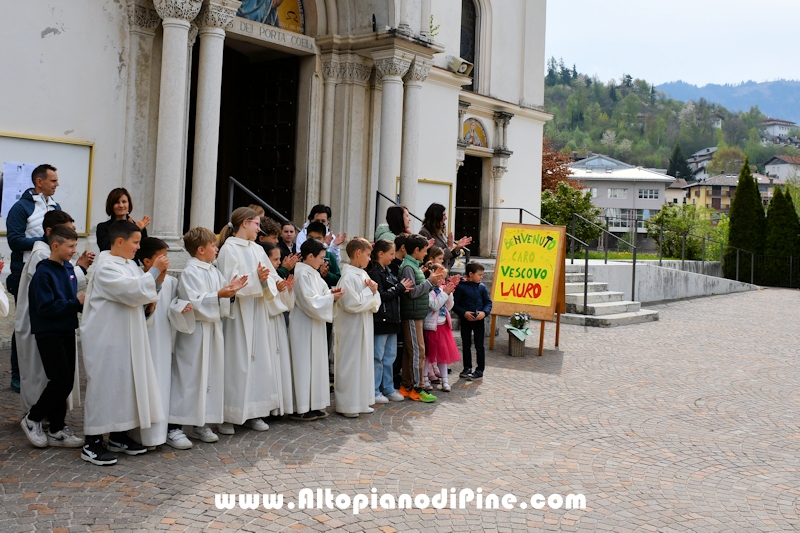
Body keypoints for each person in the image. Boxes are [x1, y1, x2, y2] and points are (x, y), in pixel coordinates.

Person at [81, 220, 165, 466]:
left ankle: (118, 434)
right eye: (136, 242)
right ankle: (92, 442)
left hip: (128, 335)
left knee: (125, 384)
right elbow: (131, 290)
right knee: (105, 386)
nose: (139, 247)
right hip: (106, 337)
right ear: (119, 241)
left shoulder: (128, 264)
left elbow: (140, 293)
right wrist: (154, 272)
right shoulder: (105, 267)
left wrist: (149, 302)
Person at [170, 228, 247, 444]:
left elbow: (222, 296)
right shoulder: (190, 271)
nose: (217, 248)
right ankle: (174, 426)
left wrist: (230, 293)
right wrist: (221, 294)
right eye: (213, 245)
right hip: (194, 333)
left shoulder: (213, 270)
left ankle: (200, 424)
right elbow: (193, 301)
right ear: (201, 249)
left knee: (210, 378)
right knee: (189, 378)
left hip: (213, 330)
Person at [17, 211, 92, 414]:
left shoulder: (66, 268)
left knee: (65, 381)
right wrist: (75, 302)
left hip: (66, 328)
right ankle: (34, 419)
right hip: (49, 330)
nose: (74, 251)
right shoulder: (43, 268)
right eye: (71, 246)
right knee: (59, 380)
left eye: (75, 245)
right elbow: (46, 306)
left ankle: (57, 428)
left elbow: (69, 292)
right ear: (55, 244)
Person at [216, 207, 280, 434]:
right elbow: (230, 282)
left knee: (259, 361)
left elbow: (271, 275)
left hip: (257, 311)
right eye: (256, 224)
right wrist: (257, 279)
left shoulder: (257, 249)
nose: (259, 228)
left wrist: (270, 283)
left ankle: (255, 412)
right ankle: (228, 415)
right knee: (237, 362)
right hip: (239, 314)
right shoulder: (229, 249)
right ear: (244, 223)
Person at [6, 164, 62, 393]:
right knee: (24, 325)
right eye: (53, 181)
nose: (57, 184)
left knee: (44, 323)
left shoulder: (55, 206)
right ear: (39, 182)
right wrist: (44, 241)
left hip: (48, 271)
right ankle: (18, 375)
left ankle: (39, 371)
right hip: (23, 273)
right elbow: (15, 240)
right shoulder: (20, 207)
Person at [135, 238, 195, 450]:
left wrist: (181, 308)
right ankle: (138, 435)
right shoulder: (138, 279)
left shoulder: (170, 282)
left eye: (167, 257)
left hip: (163, 339)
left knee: (163, 384)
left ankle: (164, 432)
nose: (166, 262)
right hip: (144, 340)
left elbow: (172, 307)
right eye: (162, 257)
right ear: (147, 261)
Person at [289, 238, 344, 421]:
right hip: (303, 325)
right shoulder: (301, 273)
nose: (323, 261)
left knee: (316, 364)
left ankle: (313, 403)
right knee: (304, 364)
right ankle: (302, 406)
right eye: (321, 257)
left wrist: (331, 294)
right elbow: (309, 302)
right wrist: (330, 299)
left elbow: (320, 294)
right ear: (310, 256)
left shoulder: (313, 272)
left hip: (316, 325)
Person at [333, 238, 382, 417]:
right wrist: (371, 292)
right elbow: (351, 303)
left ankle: (360, 401)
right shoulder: (347, 276)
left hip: (364, 325)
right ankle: (348, 405)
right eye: (368, 255)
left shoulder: (363, 274)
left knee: (362, 363)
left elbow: (375, 301)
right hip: (350, 328)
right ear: (358, 253)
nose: (370, 259)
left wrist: (374, 292)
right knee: (350, 363)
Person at [398, 234, 445, 403]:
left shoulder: (413, 265)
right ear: (416, 250)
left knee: (411, 352)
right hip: (411, 314)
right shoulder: (408, 267)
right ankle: (418, 387)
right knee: (418, 351)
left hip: (416, 314)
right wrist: (430, 282)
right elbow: (412, 293)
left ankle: (407, 385)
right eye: (424, 251)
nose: (426, 254)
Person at [367, 239, 412, 404]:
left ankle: (388, 387)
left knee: (389, 356)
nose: (393, 257)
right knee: (378, 356)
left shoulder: (387, 270)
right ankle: (375, 389)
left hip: (392, 319)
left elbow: (392, 290)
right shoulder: (374, 272)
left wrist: (400, 288)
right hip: (381, 319)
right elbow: (381, 294)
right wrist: (399, 288)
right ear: (381, 253)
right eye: (391, 254)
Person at [262, 242, 296, 416]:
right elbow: (265, 301)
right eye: (275, 260)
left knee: (279, 364)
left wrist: (285, 291)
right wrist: (276, 290)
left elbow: (287, 305)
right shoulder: (264, 276)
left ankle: (278, 406)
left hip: (278, 323)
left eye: (279, 259)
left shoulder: (274, 275)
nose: (278, 263)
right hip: (267, 323)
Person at [422, 263, 461, 393]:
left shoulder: (442, 289)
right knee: (429, 355)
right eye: (441, 277)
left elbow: (449, 306)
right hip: (431, 327)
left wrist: (449, 293)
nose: (443, 280)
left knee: (442, 356)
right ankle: (425, 378)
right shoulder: (429, 292)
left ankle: (445, 379)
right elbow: (434, 306)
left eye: (444, 278)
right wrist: (444, 293)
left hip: (443, 326)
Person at [453, 261, 493, 381]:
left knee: (479, 345)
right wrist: (463, 313)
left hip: (479, 320)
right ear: (470, 274)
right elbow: (455, 304)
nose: (482, 277)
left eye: (482, 274)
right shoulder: (460, 287)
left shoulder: (482, 287)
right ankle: (467, 368)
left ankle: (480, 369)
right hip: (465, 320)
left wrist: (484, 313)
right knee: (466, 345)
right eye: (479, 274)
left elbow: (488, 302)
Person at [419, 203, 472, 270]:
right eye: (443, 215)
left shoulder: (441, 231)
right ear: (437, 216)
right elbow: (431, 257)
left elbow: (447, 257)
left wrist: (457, 248)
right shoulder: (424, 232)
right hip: (433, 272)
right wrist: (449, 247)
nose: (446, 218)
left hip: (443, 272)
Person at [306, 221, 340, 287]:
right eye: (311, 238)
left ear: (324, 239)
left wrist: (326, 274)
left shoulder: (329, 256)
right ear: (306, 237)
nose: (314, 241)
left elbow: (338, 279)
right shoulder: (301, 256)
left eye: (318, 239)